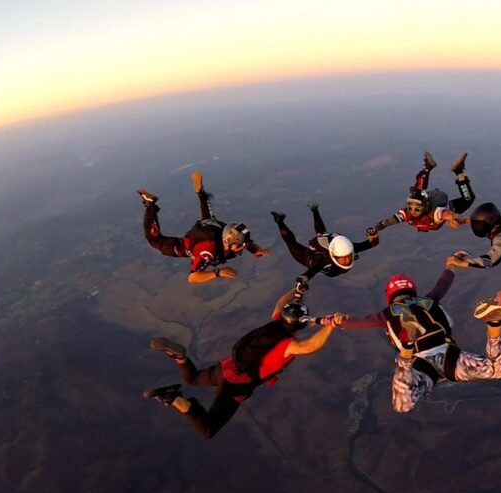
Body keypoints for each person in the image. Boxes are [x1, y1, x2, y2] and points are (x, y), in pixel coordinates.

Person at [322, 254, 501, 413]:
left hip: (422, 363)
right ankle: (494, 323)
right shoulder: (428, 301)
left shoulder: (385, 314)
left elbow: (358, 324)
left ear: (390, 296)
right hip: (448, 354)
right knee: (497, 370)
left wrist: (337, 320)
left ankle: (407, 348)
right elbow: (442, 285)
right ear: (412, 291)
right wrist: (450, 265)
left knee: (403, 404)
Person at [144, 288, 346, 439]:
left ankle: (179, 357)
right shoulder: (287, 344)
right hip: (236, 384)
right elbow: (310, 345)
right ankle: (174, 400)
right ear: (300, 325)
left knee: (192, 378)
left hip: (227, 367)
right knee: (208, 429)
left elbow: (281, 301)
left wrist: (298, 290)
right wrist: (331, 326)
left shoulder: (275, 321)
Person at [138, 170, 269, 283]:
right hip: (185, 245)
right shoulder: (206, 252)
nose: (242, 248)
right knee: (153, 240)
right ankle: (150, 205)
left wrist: (255, 249)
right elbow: (192, 277)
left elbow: (245, 242)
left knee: (208, 217)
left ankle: (201, 193)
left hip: (211, 228)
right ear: (226, 241)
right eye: (239, 246)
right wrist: (217, 273)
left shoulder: (231, 236)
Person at [270, 200, 379, 284]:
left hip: (327, 242)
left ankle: (314, 210)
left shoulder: (349, 248)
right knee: (292, 243)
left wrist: (373, 237)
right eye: (343, 258)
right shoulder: (321, 259)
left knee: (321, 233)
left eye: (349, 256)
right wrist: (304, 278)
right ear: (334, 255)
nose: (347, 261)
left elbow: (371, 244)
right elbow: (312, 271)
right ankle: (279, 221)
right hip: (309, 256)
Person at [373, 151, 475, 233]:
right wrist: (381, 225)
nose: (413, 212)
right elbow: (392, 220)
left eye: (417, 209)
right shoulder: (407, 214)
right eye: (411, 208)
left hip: (446, 206)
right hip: (432, 202)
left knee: (468, 199)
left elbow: (448, 215)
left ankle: (455, 171)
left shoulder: (435, 213)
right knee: (418, 194)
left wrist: (455, 218)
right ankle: (436, 169)